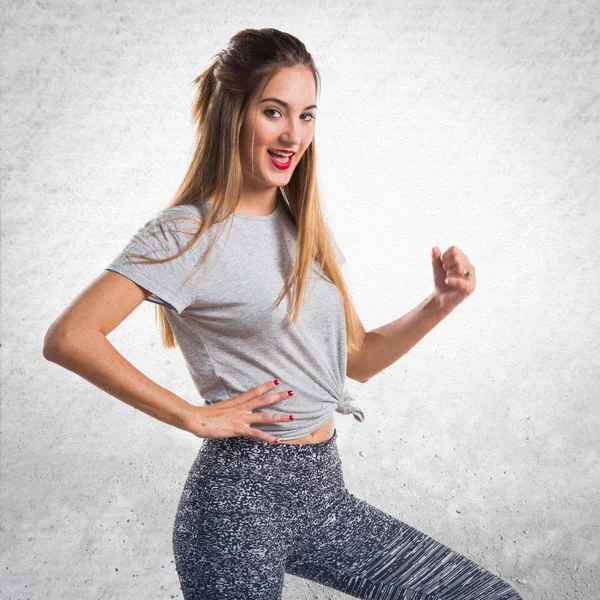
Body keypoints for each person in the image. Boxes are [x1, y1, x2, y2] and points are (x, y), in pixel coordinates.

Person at [43, 27, 523, 600]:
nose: (293, 135)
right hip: (237, 509)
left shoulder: (303, 230)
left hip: (323, 496)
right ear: (233, 114)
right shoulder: (186, 232)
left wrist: (440, 304)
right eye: (274, 112)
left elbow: (359, 360)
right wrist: (192, 416)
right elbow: (70, 336)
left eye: (307, 115)